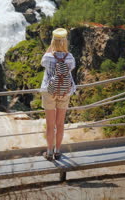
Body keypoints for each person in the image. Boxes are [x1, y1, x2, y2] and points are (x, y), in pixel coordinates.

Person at [40, 28, 76, 161]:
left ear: (53, 41)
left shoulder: (48, 57)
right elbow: (70, 69)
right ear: (65, 42)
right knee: (60, 124)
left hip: (49, 91)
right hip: (65, 91)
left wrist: (52, 46)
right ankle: (58, 151)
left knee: (50, 124)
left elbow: (43, 62)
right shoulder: (70, 57)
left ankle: (49, 152)